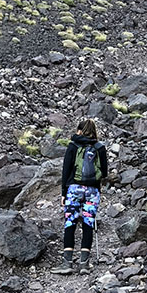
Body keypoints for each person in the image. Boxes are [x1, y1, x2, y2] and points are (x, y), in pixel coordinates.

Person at [51, 118, 108, 275]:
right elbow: (104, 172)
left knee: (71, 223)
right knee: (88, 223)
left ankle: (67, 263)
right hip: (93, 191)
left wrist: (64, 192)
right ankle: (84, 264)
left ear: (79, 131)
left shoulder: (73, 145)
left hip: (74, 188)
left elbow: (65, 171)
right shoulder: (99, 148)